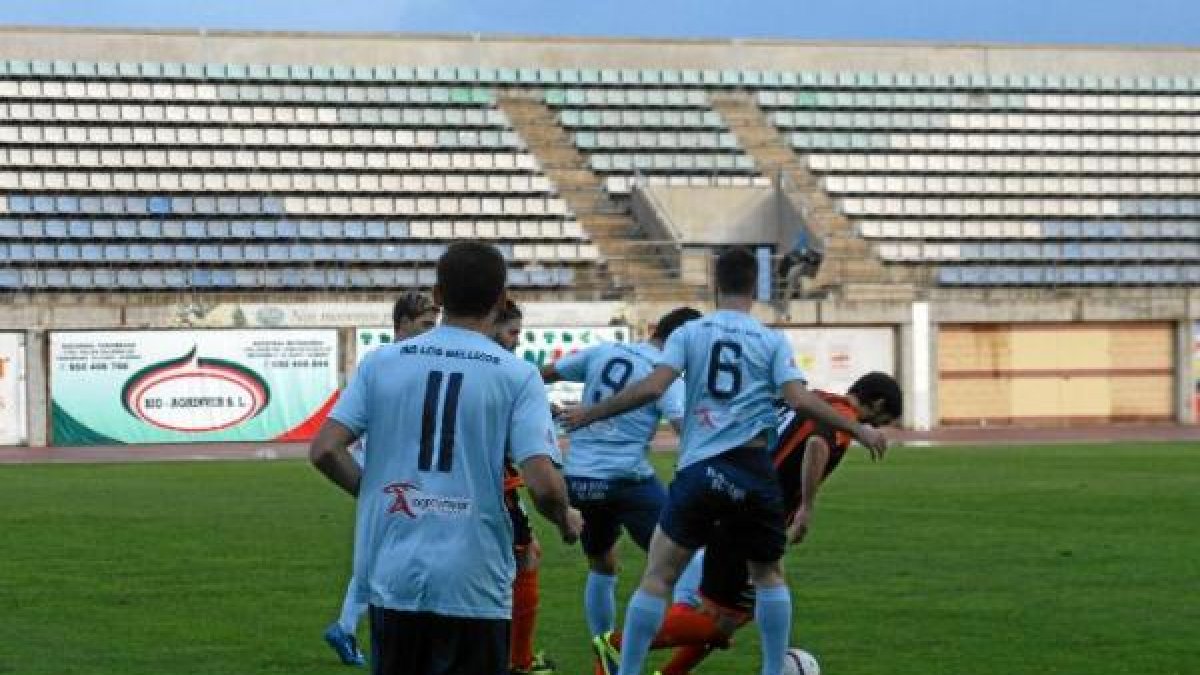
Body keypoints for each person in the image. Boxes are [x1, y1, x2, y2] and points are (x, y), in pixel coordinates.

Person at [563, 247, 887, 675]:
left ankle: (627, 670)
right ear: (755, 286)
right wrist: (860, 429)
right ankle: (773, 670)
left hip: (701, 469)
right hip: (752, 470)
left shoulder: (689, 334)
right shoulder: (770, 339)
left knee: (658, 576)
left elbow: (652, 388)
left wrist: (591, 413)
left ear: (715, 284)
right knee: (769, 576)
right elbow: (797, 398)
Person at [310, 242, 583, 675]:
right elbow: (543, 482)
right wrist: (566, 517)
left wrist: (374, 493)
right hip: (473, 580)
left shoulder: (381, 362)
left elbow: (325, 449)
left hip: (395, 576)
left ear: (437, 296)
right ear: (498, 299)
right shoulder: (516, 374)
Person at [596, 372, 903, 675]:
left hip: (730, 494)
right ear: (876, 402)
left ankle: (658, 665)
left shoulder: (813, 400)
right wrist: (807, 508)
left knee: (726, 615)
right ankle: (618, 643)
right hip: (753, 514)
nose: (877, 427)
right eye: (883, 419)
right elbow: (816, 445)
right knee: (726, 618)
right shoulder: (841, 416)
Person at [540, 307, 701, 641]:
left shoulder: (603, 351)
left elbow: (540, 374)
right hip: (626, 480)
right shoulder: (665, 375)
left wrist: (543, 407)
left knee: (603, 565)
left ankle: (604, 653)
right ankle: (686, 622)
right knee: (679, 556)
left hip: (580, 482)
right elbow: (685, 431)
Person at [324, 291, 441, 666]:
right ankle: (350, 628)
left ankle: (348, 628)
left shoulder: (389, 364)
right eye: (425, 324)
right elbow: (332, 442)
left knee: (382, 558)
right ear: (402, 323)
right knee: (388, 559)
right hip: (390, 476)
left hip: (396, 475)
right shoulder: (383, 363)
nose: (431, 332)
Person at [490, 300, 558, 675]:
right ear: (493, 325)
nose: (517, 340)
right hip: (496, 485)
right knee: (525, 557)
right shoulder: (512, 372)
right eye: (513, 331)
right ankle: (518, 661)